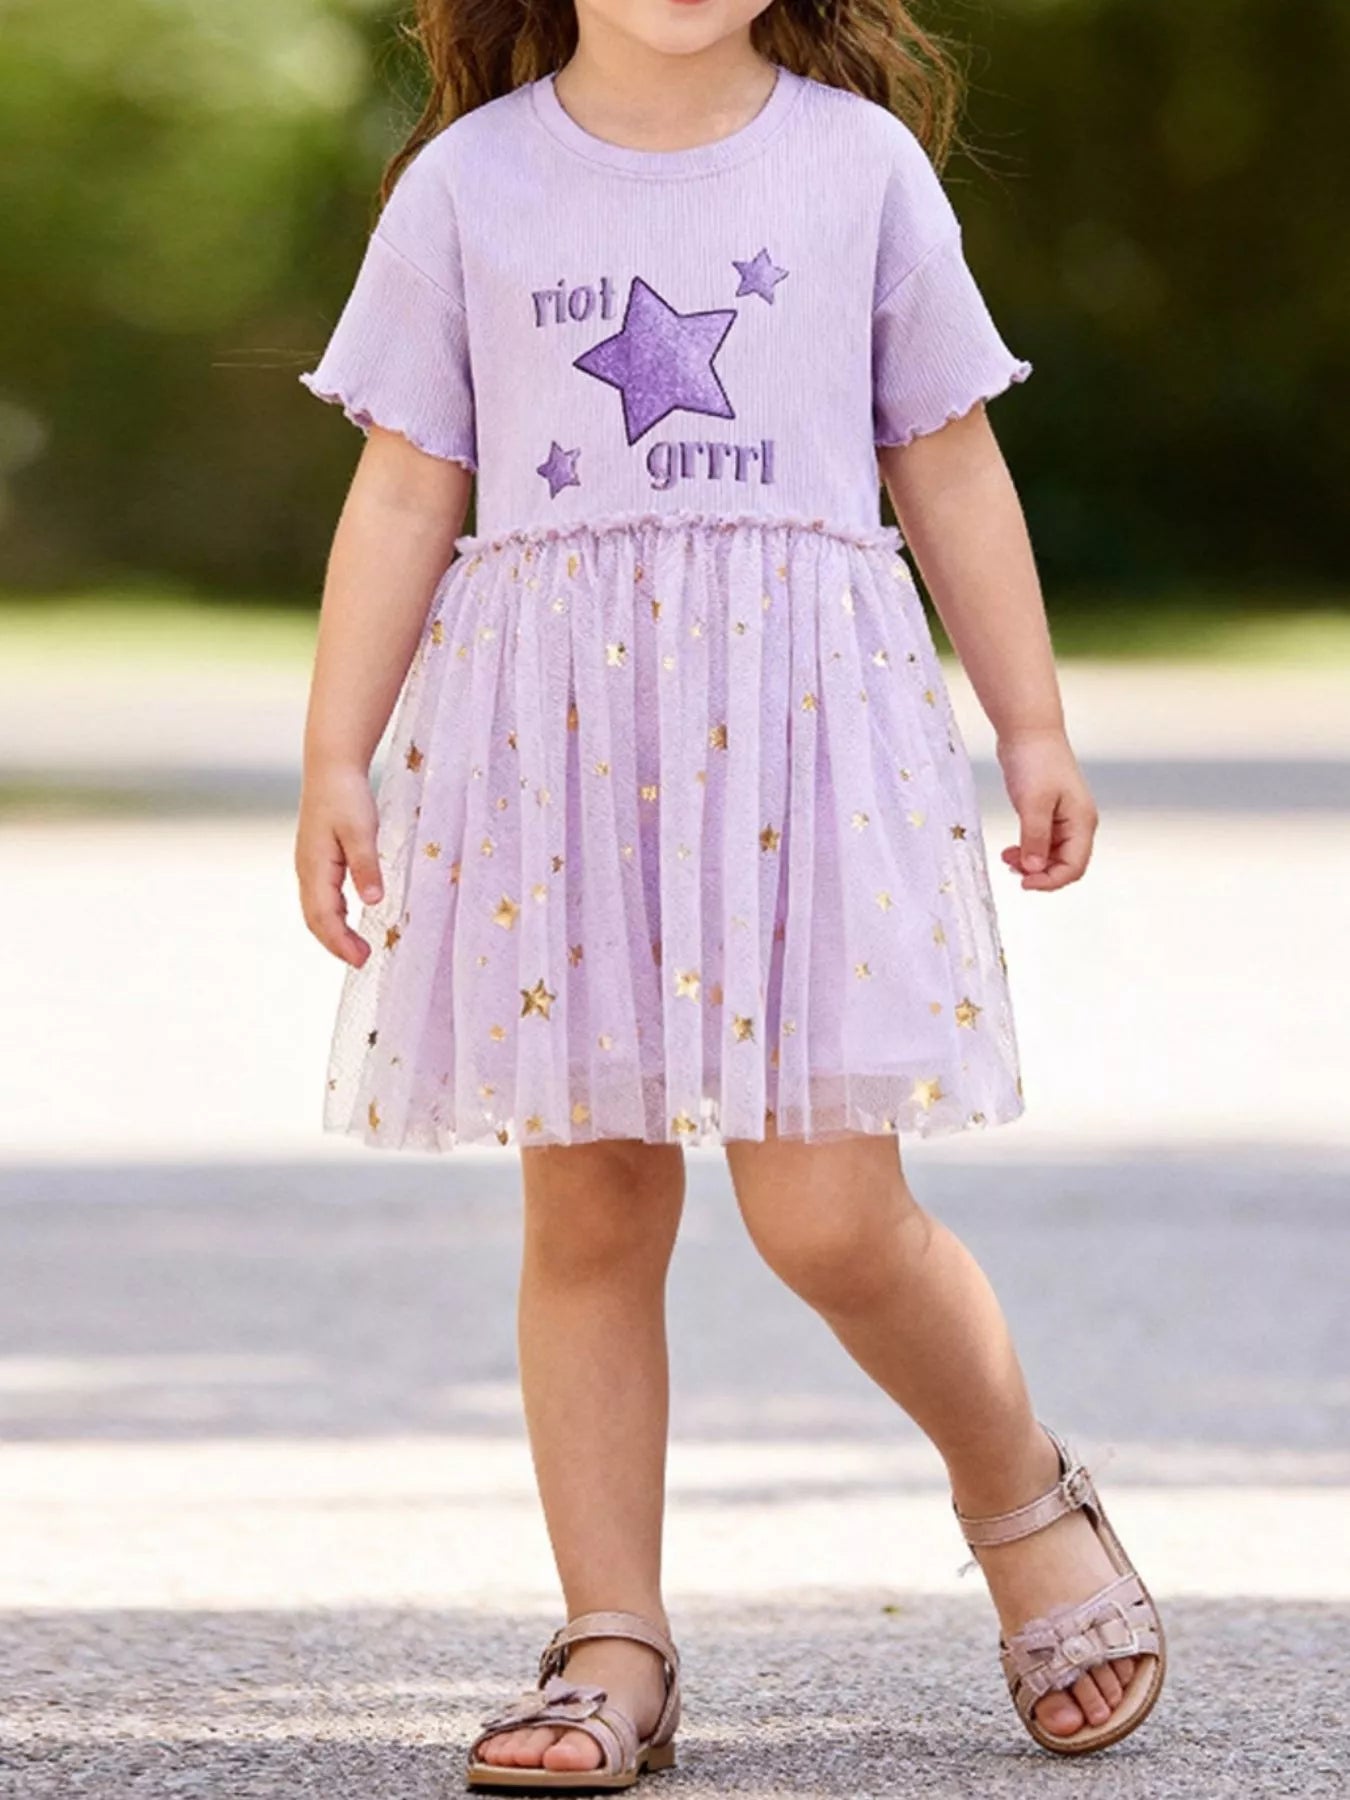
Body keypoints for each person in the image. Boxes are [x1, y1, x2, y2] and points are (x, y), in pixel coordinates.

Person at [293, 0, 1166, 1785]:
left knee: (829, 1219)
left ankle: (1020, 1493)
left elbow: (945, 455)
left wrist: (1029, 723)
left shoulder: (857, 168)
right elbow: (402, 489)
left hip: (799, 749)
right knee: (590, 1210)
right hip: (558, 761)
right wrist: (336, 757)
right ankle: (611, 1638)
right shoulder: (469, 184)